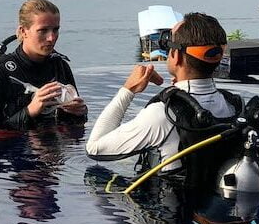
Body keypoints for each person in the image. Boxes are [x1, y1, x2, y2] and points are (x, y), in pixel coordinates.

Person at [86, 12, 249, 173]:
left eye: (168, 44)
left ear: (176, 56)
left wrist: (127, 90)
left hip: (172, 199)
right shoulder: (235, 107)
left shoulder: (163, 115)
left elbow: (94, 148)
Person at [0, 0, 87, 132]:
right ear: (23, 31)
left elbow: (75, 125)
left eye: (55, 30)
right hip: (10, 149)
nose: (51, 38)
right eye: (43, 30)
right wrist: (30, 111)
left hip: (53, 147)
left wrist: (79, 113)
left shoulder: (60, 66)